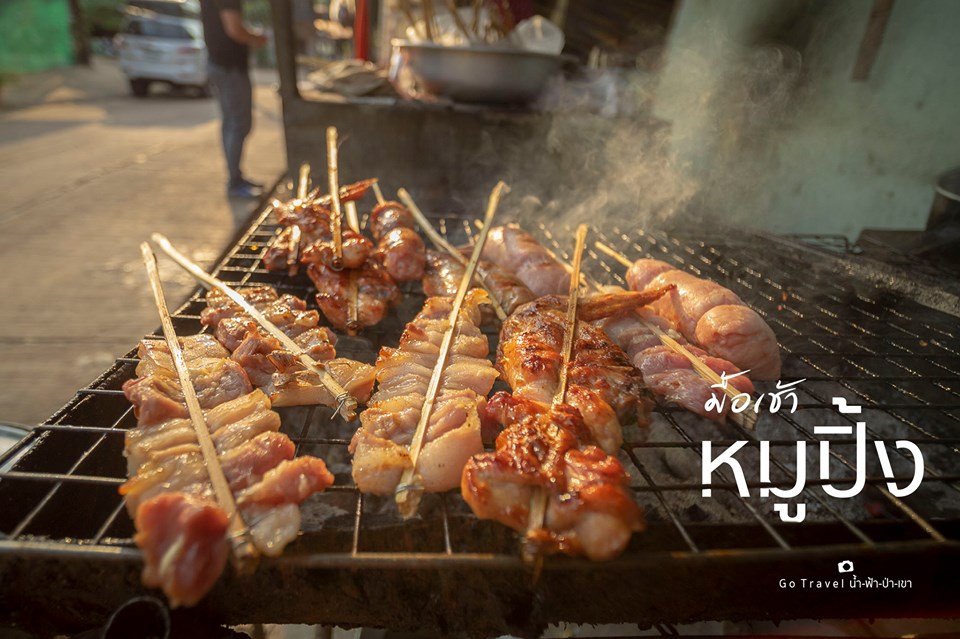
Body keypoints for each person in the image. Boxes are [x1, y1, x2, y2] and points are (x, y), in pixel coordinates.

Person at [200, 0, 268, 198]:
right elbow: (234, 29)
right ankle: (235, 182)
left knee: (231, 123)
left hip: (219, 65)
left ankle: (236, 177)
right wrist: (257, 38)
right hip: (229, 68)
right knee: (238, 124)